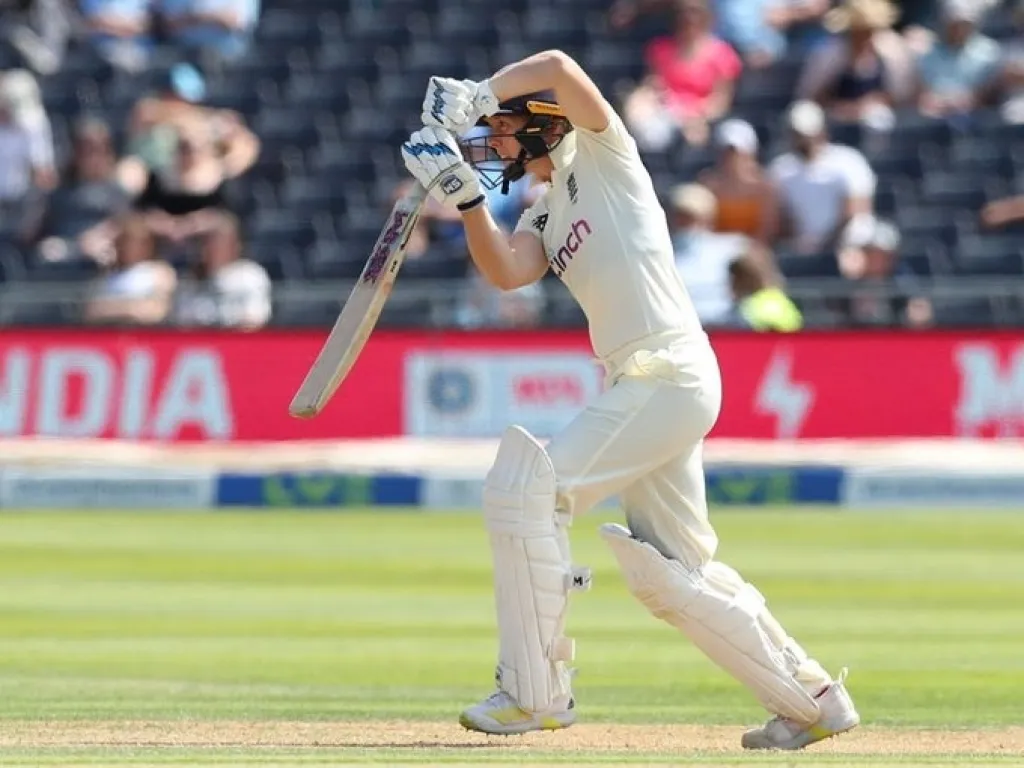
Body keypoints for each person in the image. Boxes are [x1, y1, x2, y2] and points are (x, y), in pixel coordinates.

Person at [400, 48, 859, 750]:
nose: (491, 145)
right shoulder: (543, 214)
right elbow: (508, 273)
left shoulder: (603, 154)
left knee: (527, 492)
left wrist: (479, 92)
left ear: (541, 125)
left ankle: (533, 694)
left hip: (668, 368)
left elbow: (557, 64)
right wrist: (466, 201)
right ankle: (813, 698)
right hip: (645, 382)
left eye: (500, 130)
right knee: (672, 573)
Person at [697, 118, 779, 243]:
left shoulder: (765, 187)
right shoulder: (707, 186)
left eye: (735, 152)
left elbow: (766, 232)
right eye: (725, 151)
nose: (730, 157)